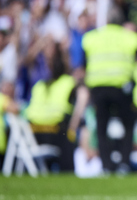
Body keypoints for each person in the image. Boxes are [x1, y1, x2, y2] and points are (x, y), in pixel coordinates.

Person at [82, 9, 137, 174]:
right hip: (120, 88)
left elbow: (83, 63)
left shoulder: (92, 37)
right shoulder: (130, 37)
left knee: (102, 127)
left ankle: (106, 165)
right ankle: (123, 163)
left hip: (98, 88)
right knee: (128, 124)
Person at [25, 43, 89, 171]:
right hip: (55, 131)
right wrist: (73, 125)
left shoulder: (39, 85)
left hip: (33, 133)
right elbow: (84, 96)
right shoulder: (68, 82)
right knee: (70, 136)